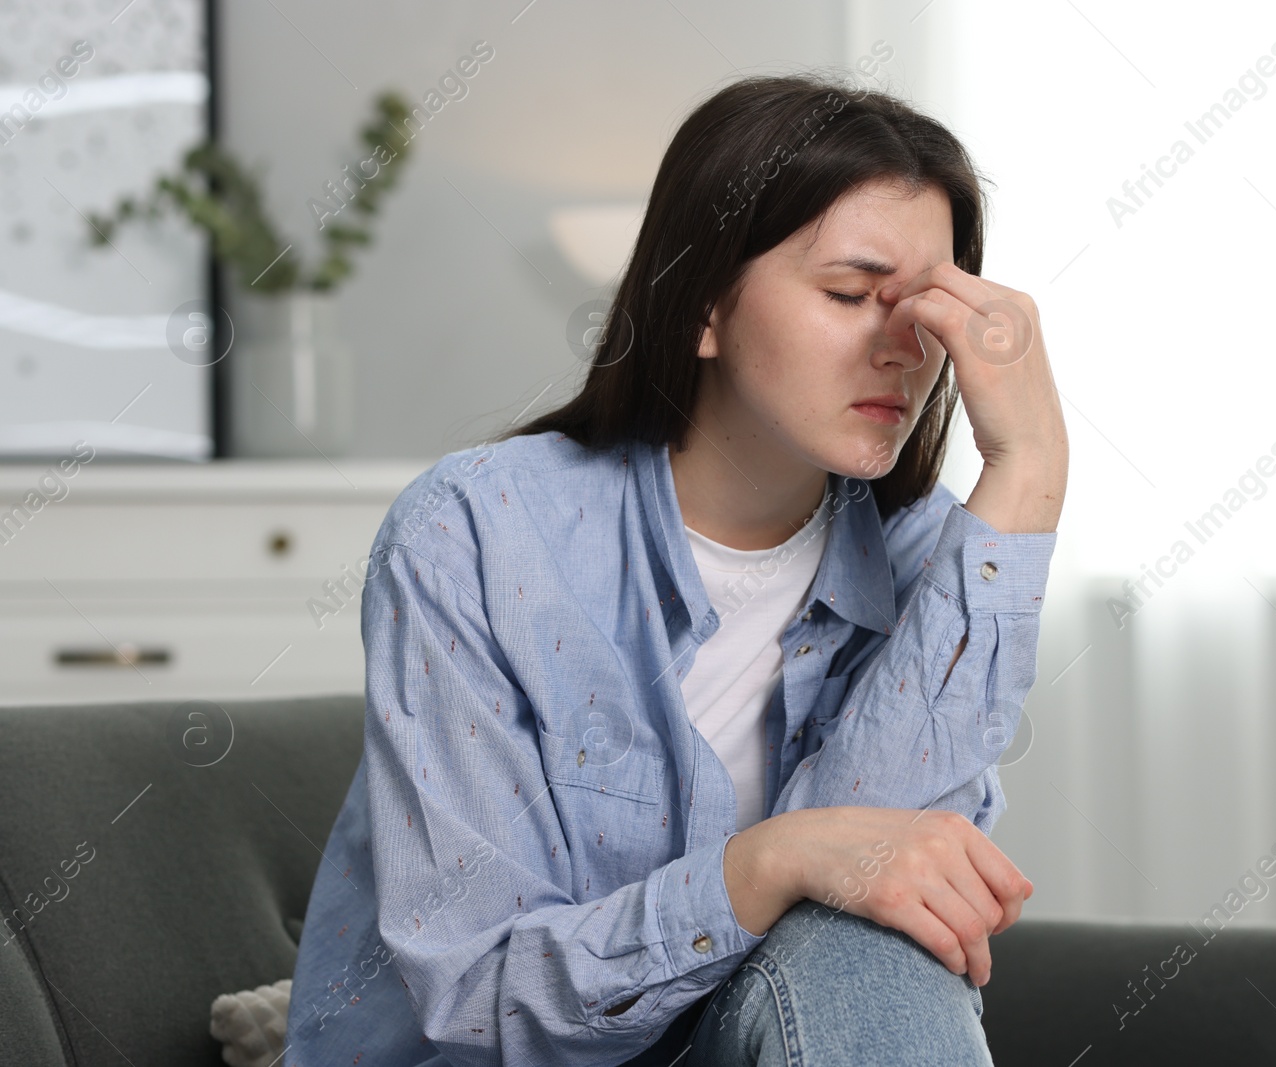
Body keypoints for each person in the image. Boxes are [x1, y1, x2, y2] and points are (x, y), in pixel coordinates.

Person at [283, 70, 1068, 1067]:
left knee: (872, 945)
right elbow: (477, 995)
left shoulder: (929, 559)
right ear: (703, 304)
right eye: (848, 294)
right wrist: (769, 861)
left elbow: (882, 889)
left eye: (929, 307)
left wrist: (1028, 469)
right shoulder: (479, 531)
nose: (902, 346)